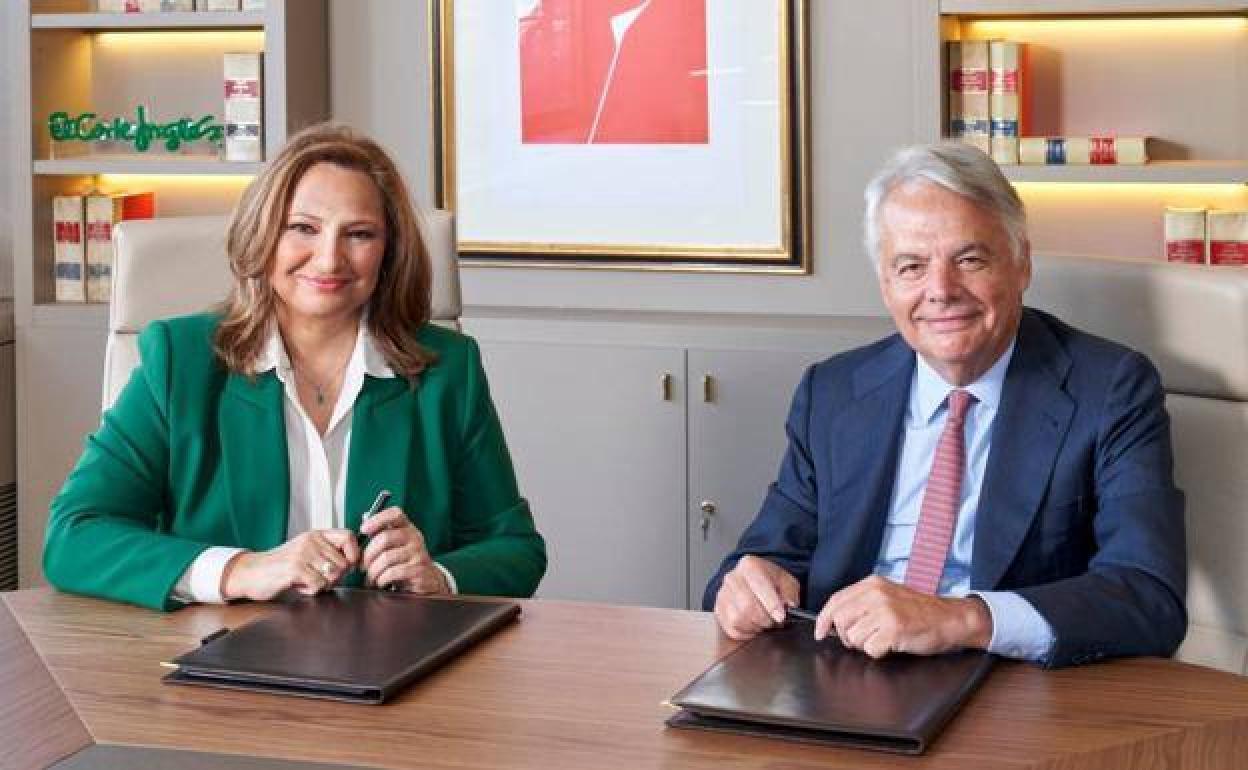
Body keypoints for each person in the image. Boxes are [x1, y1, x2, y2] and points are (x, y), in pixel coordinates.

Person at [705, 142, 1186, 668]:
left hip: (1009, 679)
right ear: (885, 283)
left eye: (969, 260)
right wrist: (748, 586)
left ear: (1022, 264)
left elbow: (1148, 596)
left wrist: (959, 619)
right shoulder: (834, 391)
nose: (941, 290)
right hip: (843, 672)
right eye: (911, 266)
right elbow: (768, 555)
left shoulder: (1111, 389)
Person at [44, 123, 546, 610]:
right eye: (303, 228)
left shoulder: (448, 370)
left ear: (389, 252)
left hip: (396, 655)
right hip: (225, 653)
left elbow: (515, 549)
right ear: (263, 234)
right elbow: (74, 536)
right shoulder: (181, 361)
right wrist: (243, 569)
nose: (329, 260)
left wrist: (438, 576)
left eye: (359, 234)